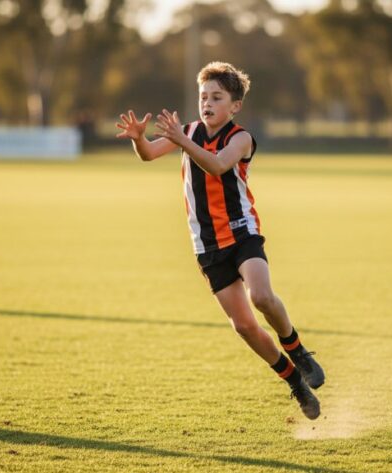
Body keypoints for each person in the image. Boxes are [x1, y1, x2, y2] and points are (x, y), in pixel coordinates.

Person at [115, 62, 325, 420]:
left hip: (242, 232)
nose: (207, 104)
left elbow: (217, 166)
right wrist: (139, 139)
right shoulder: (190, 130)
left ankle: (297, 349)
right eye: (203, 97)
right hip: (207, 245)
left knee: (261, 296)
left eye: (216, 97)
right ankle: (294, 382)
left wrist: (181, 140)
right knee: (243, 325)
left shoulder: (240, 139)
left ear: (235, 106)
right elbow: (150, 154)